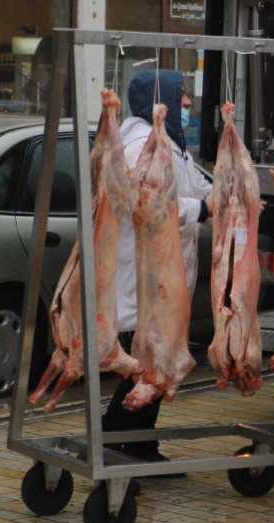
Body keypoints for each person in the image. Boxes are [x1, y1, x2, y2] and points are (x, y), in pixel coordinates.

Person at [101, 69, 213, 474]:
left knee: (154, 361)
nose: (187, 104)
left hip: (167, 272)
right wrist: (202, 210)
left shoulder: (170, 144)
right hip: (146, 275)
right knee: (148, 363)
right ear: (158, 97)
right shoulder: (137, 146)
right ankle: (108, 442)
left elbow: (197, 185)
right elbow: (150, 202)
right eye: (181, 94)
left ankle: (140, 448)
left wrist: (224, 196)